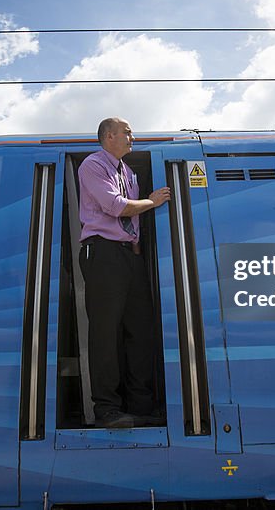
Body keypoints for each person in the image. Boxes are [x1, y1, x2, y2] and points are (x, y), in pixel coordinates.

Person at [78, 117, 171, 428]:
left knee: (140, 329)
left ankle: (141, 404)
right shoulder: (93, 165)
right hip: (102, 252)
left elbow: (133, 221)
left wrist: (135, 249)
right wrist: (152, 201)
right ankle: (107, 409)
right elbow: (116, 207)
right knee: (106, 332)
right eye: (127, 132)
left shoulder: (127, 172)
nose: (133, 137)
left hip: (128, 257)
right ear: (108, 136)